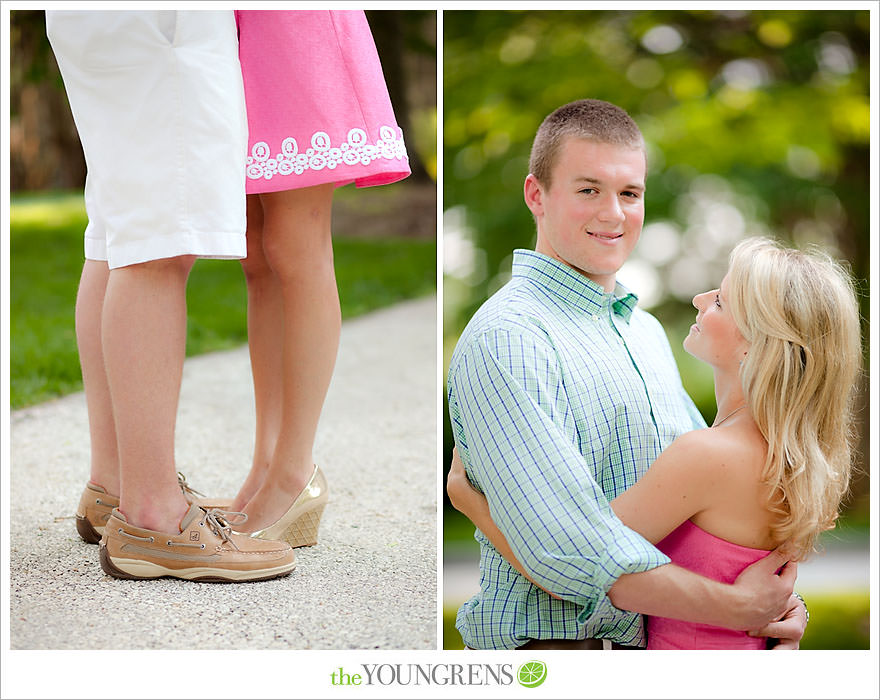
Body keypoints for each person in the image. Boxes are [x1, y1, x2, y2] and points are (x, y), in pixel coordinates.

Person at [445, 99, 805, 649]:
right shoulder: (509, 339)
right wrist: (736, 607)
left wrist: (779, 606)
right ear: (536, 195)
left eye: (629, 193)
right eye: (588, 189)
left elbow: (709, 504)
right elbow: (565, 550)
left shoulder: (646, 332)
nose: (613, 213)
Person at [449, 236, 861, 648]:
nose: (701, 299)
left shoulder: (707, 455)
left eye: (721, 301)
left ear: (759, 342)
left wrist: (472, 504)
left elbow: (576, 568)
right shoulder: (789, 458)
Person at [48, 10, 296, 581]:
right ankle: (154, 516)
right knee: (160, 240)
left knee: (118, 233)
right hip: (164, 22)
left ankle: (115, 485)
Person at [226, 10, 411, 543]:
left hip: (291, 26)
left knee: (294, 243)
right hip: (234, 30)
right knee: (255, 252)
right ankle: (266, 464)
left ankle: (294, 469)